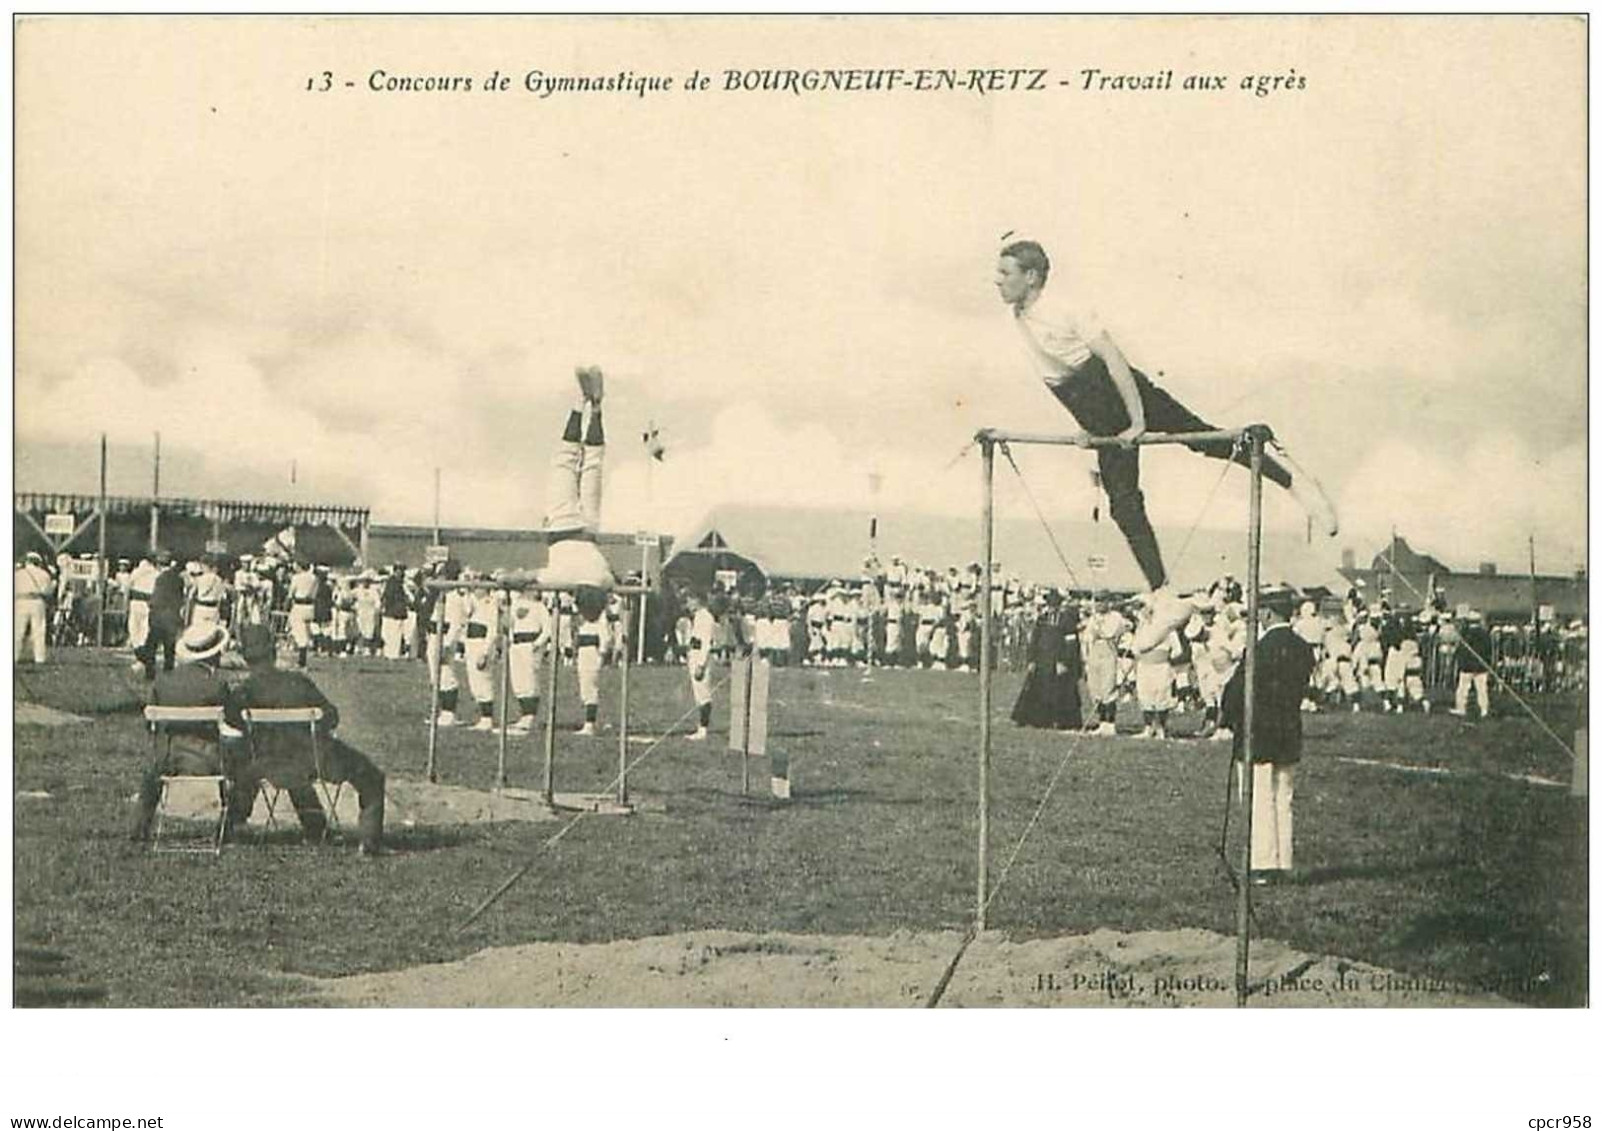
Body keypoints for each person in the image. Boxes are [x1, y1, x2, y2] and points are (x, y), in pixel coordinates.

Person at [994, 237, 1337, 642]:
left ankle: (1298, 485)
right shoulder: (1019, 313)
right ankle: (1164, 595)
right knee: (1124, 506)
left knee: (1204, 440)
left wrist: (1137, 419)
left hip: (1119, 393)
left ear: (1032, 277)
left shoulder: (1063, 307)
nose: (996, 281)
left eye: (1005, 273)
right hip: (1092, 407)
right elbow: (1060, 378)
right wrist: (1089, 427)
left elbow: (1115, 362)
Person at [225, 624, 386, 855]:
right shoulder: (298, 682)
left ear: (245, 657)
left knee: (250, 763)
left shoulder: (244, 692)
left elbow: (233, 722)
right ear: (273, 651)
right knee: (372, 777)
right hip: (315, 759)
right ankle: (369, 842)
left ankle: (234, 825)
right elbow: (330, 716)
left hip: (268, 762)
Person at [1220, 589, 1316, 884]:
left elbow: (1238, 690)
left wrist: (1227, 714)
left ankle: (1262, 865)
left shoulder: (1260, 648)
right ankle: (1283, 860)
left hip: (1258, 732)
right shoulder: (1303, 648)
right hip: (1287, 729)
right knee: (1282, 797)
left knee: (1259, 798)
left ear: (1267, 613)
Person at [130, 623, 252, 844]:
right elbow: (235, 724)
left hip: (166, 760)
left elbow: (150, 726)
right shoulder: (217, 684)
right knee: (241, 763)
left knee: (152, 771)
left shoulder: (163, 681)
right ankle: (230, 826)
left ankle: (140, 827)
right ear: (214, 654)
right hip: (209, 761)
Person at [1010, 594, 1083, 730]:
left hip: (1058, 662)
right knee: (1036, 690)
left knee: (1060, 692)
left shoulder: (1066, 620)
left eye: (1054, 606)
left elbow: (1071, 644)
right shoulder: (1042, 619)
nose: (1051, 608)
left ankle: (1061, 721)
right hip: (1042, 661)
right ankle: (1037, 719)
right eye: (1049, 605)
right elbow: (1034, 640)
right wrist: (1031, 660)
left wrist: (1064, 662)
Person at [136, 553, 186, 680]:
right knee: (169, 647)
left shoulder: (157, 577)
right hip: (172, 616)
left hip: (158, 616)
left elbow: (155, 599)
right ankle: (169, 673)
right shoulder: (178, 578)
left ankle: (150, 674)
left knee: (151, 646)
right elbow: (180, 598)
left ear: (158, 564)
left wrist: (151, 605)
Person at [685, 589, 718, 741]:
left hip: (700, 656)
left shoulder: (706, 617)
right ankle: (700, 727)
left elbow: (705, 642)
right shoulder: (698, 617)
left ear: (698, 600)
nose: (688, 604)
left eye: (690, 600)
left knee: (703, 693)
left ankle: (703, 728)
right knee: (698, 693)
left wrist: (701, 664)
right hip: (694, 654)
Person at [1452, 611, 1494, 719]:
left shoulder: (1466, 634)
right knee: (1482, 689)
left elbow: (1461, 650)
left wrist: (1460, 661)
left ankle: (1461, 708)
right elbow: (1488, 650)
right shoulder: (1485, 634)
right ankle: (1484, 709)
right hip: (1481, 666)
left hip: (1467, 666)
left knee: (1463, 688)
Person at [15, 551, 54, 664]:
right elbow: (48, 591)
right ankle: (39, 658)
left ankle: (14, 655)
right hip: (37, 601)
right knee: (39, 630)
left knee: (18, 630)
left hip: (21, 601)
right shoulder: (44, 574)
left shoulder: (18, 574)